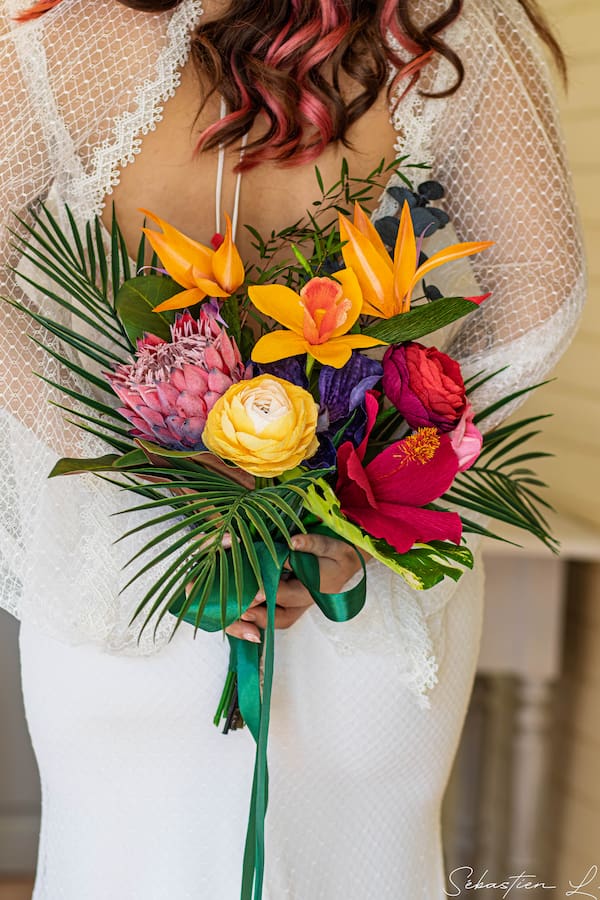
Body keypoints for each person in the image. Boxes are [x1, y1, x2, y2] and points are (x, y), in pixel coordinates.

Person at [0, 0, 584, 897]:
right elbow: (543, 288)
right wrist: (384, 487)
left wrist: (132, 484)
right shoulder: (440, 28)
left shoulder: (73, 37)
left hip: (146, 573)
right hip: (364, 582)